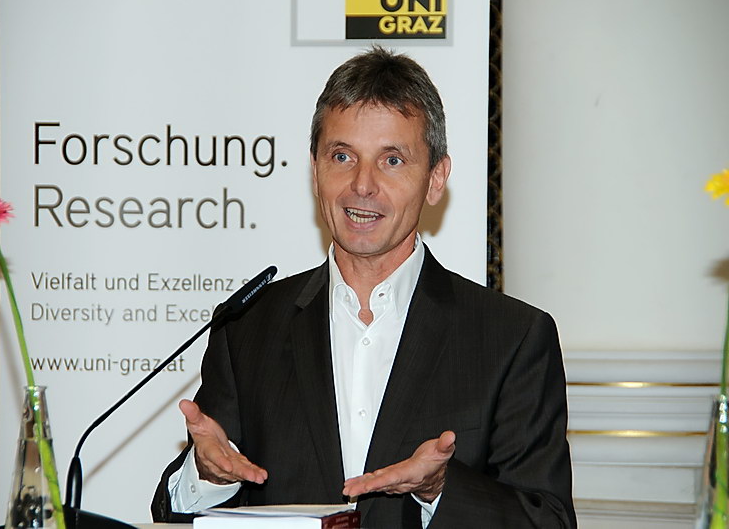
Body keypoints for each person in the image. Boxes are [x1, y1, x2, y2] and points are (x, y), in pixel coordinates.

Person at [151, 46, 576, 528]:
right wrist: (207, 476)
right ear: (315, 170)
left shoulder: (512, 338)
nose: (362, 184)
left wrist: (440, 490)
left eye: (392, 160)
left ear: (435, 178)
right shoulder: (247, 327)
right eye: (342, 156)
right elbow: (177, 513)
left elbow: (550, 521)